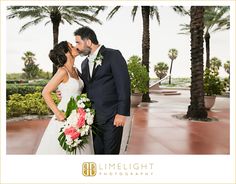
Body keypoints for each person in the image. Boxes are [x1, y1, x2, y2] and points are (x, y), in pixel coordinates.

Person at [74, 27, 131, 154]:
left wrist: (122, 113)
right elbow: (86, 87)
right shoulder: (84, 63)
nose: (76, 46)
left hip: (112, 117)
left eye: (78, 42)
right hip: (93, 120)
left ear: (88, 42)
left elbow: (124, 84)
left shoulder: (113, 55)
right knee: (98, 153)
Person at [36, 41, 94, 154]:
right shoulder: (63, 71)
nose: (75, 47)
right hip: (65, 114)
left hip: (79, 114)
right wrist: (58, 113)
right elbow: (45, 92)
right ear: (66, 53)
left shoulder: (76, 70)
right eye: (71, 46)